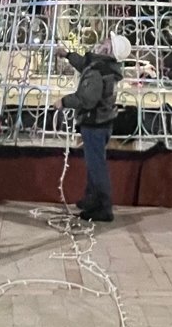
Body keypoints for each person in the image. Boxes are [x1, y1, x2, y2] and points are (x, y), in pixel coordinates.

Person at [56, 33, 131, 222]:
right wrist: (68, 55)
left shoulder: (98, 70)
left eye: (107, 41)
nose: (103, 41)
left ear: (109, 49)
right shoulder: (103, 66)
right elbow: (85, 64)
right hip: (102, 122)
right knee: (94, 164)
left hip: (95, 123)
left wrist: (64, 102)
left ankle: (103, 207)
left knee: (96, 167)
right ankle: (91, 199)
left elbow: (87, 99)